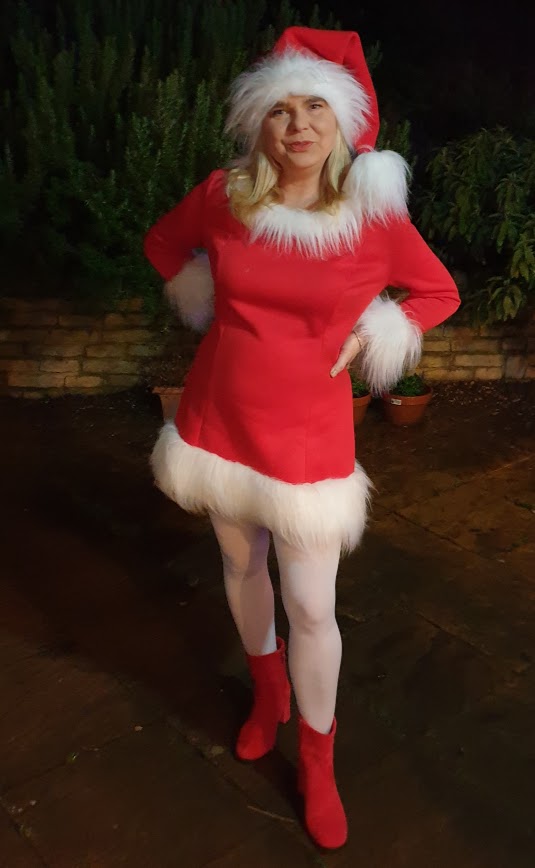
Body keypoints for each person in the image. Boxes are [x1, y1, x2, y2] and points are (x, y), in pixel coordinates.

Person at [144, 26, 460, 850]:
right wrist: (206, 300)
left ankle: (317, 761)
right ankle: (268, 693)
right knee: (239, 564)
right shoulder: (223, 197)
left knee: (312, 605)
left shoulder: (371, 220)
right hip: (219, 417)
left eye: (315, 106)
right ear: (259, 120)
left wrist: (375, 331)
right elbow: (163, 243)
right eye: (280, 108)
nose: (297, 124)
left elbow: (437, 292)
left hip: (308, 434)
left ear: (343, 121)